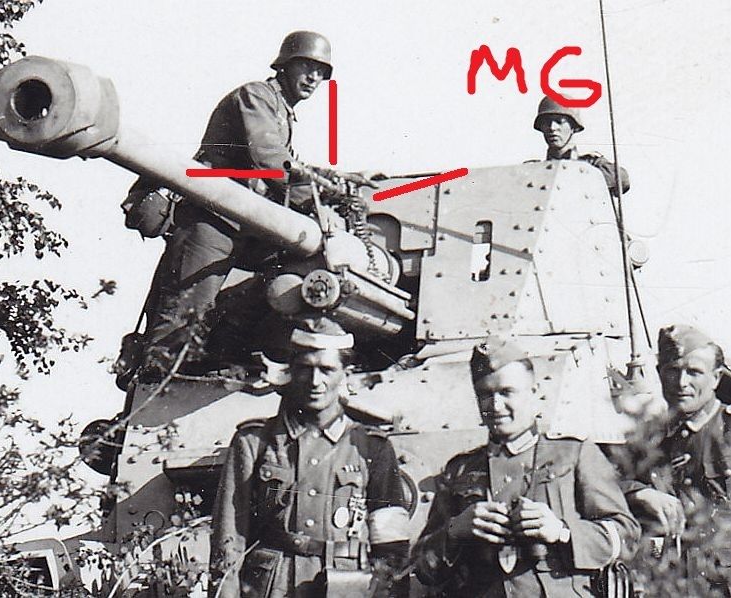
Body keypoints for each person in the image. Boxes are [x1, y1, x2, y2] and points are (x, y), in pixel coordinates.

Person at [126, 32, 380, 380]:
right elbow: (271, 161)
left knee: (290, 274)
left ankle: (222, 349)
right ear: (285, 65)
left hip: (244, 223)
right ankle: (157, 381)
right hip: (213, 217)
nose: (313, 78)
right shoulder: (256, 96)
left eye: (321, 72)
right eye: (306, 67)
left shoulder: (281, 110)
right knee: (185, 312)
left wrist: (337, 179)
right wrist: (323, 197)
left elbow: (287, 164)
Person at [412, 334, 639, 596]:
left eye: (506, 392)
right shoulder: (459, 469)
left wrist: (562, 531)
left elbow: (626, 537)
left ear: (535, 393)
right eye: (485, 394)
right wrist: (454, 530)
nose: (495, 405)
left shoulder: (574, 453)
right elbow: (423, 568)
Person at [209, 316, 410, 597]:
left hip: (346, 585)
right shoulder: (254, 442)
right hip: (272, 586)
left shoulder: (372, 447)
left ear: (345, 373)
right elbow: (228, 535)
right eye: (305, 369)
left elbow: (391, 547)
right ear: (291, 371)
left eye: (327, 370)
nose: (316, 381)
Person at [617, 324, 731, 589]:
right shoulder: (651, 437)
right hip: (671, 581)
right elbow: (606, 485)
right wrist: (641, 494)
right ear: (659, 374)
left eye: (694, 372)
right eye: (673, 370)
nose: (681, 383)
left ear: (716, 378)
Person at [532, 95, 630, 197]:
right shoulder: (535, 170)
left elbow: (622, 178)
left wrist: (582, 176)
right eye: (546, 123)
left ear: (573, 127)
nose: (552, 128)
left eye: (559, 122)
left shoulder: (592, 164)